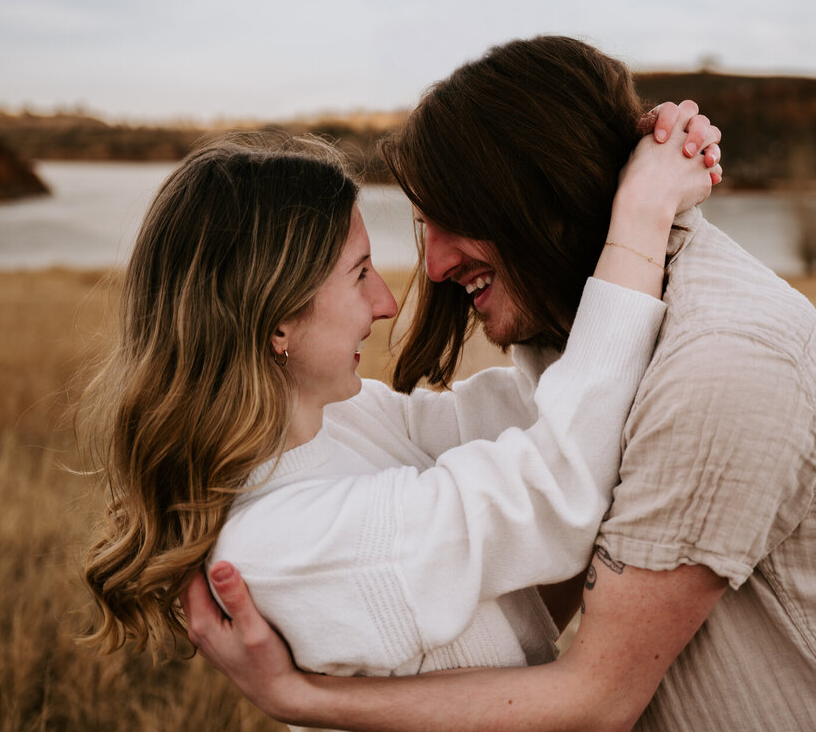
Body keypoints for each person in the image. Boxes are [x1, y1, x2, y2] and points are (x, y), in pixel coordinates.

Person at [184, 36, 816, 731]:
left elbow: (592, 694)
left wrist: (302, 702)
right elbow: (543, 461)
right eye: (408, 235)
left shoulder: (721, 369)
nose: (427, 271)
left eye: (455, 219)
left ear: (536, 200)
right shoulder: (587, 359)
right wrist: (638, 209)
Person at [79, 120, 720, 678]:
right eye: (360, 274)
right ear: (276, 319)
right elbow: (552, 487)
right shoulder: (280, 546)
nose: (387, 304)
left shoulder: (330, 423)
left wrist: (566, 203)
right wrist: (639, 218)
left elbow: (519, 415)